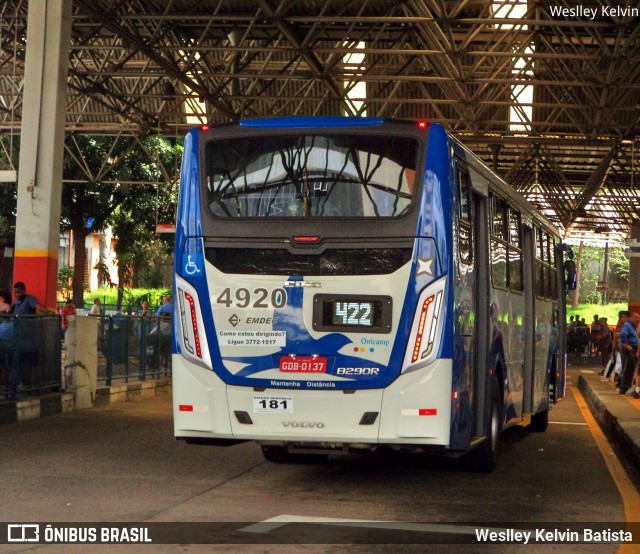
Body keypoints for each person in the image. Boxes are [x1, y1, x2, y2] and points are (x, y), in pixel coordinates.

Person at [618, 311, 640, 395]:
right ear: (631, 318)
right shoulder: (627, 325)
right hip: (627, 349)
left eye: (639, 318)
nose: (638, 320)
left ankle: (626, 388)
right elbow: (623, 334)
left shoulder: (633, 326)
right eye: (636, 318)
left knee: (630, 368)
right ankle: (624, 388)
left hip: (631, 349)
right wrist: (626, 345)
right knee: (627, 368)